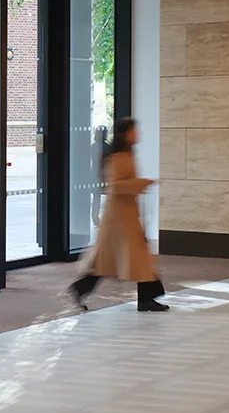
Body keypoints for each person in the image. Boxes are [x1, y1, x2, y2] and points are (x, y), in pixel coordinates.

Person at [69, 117, 166, 313]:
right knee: (130, 258)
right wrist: (142, 183)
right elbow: (117, 185)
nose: (137, 134)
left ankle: (82, 288)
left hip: (126, 215)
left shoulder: (125, 155)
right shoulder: (117, 158)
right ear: (124, 134)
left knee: (114, 261)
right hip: (120, 218)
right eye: (133, 131)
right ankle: (146, 298)